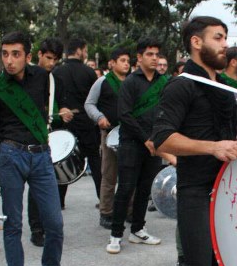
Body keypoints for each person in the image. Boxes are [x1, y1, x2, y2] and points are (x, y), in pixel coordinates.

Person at [151, 15, 237, 266]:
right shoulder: (181, 85)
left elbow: (223, 136)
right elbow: (162, 139)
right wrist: (213, 147)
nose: (225, 44)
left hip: (224, 192)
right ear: (195, 42)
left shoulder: (220, 84)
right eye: (218, 38)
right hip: (195, 191)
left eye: (225, 38)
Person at [0, 31, 74, 266]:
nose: (9, 60)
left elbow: (48, 111)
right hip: (10, 156)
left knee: (54, 223)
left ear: (28, 56)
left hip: (42, 155)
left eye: (16, 54)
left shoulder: (43, 78)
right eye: (5, 54)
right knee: (13, 224)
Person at [105, 39, 166, 254]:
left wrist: (157, 139)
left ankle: (138, 229)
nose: (154, 58)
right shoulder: (130, 82)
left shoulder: (164, 82)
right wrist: (145, 139)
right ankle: (115, 234)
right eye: (149, 54)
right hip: (131, 142)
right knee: (125, 188)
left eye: (156, 54)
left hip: (154, 143)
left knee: (144, 188)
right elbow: (125, 115)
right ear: (139, 58)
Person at [52, 38, 101, 212]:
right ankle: (103, 198)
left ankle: (59, 201)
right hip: (86, 121)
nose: (86, 53)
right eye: (85, 50)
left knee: (61, 160)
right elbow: (95, 99)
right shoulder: (89, 72)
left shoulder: (57, 72)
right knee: (95, 161)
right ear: (79, 50)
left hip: (66, 121)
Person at [85, 47, 130, 229]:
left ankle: (130, 210)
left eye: (128, 60)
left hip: (129, 134)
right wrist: (99, 118)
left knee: (130, 175)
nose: (126, 64)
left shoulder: (132, 82)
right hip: (110, 133)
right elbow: (89, 104)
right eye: (122, 60)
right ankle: (106, 212)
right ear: (112, 63)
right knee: (109, 175)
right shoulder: (102, 82)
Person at [27, 37, 66, 247]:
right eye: (48, 58)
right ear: (39, 55)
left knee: (46, 184)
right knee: (34, 187)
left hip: (48, 136)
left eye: (55, 60)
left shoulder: (55, 80)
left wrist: (63, 113)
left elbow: (59, 107)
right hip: (27, 139)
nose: (51, 63)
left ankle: (47, 226)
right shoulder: (27, 76)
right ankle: (36, 228)